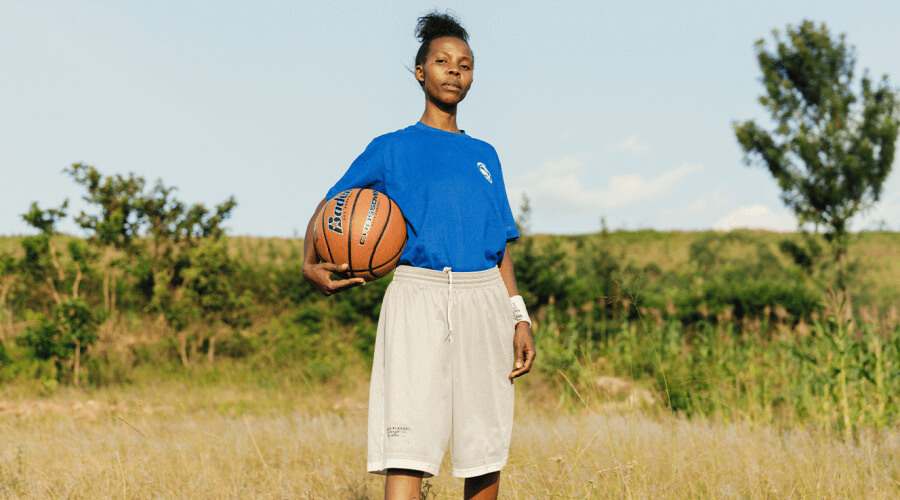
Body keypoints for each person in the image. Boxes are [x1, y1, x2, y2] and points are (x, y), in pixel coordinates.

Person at [302, 12, 536, 500]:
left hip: (485, 299)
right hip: (418, 294)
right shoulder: (389, 149)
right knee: (407, 448)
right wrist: (310, 262)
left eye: (465, 64)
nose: (455, 70)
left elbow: (501, 247)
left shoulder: (485, 155)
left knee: (484, 450)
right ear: (420, 72)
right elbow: (331, 207)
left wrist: (520, 316)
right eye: (443, 61)